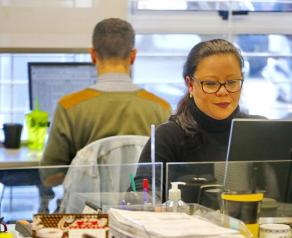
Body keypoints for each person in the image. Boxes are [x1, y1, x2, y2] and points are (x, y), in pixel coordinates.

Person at [40, 18, 171, 192]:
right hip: (142, 212)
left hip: (87, 216)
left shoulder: (69, 107)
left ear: (93, 55)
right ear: (133, 56)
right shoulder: (161, 108)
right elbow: (170, 172)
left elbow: (50, 176)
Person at [138, 38, 264, 202]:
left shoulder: (259, 131)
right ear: (190, 84)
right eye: (211, 84)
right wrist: (148, 200)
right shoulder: (169, 136)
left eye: (232, 82)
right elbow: (143, 192)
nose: (223, 92)